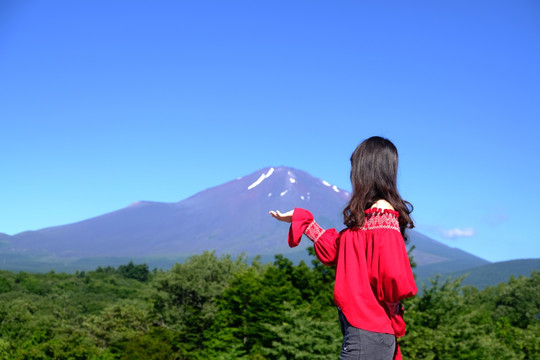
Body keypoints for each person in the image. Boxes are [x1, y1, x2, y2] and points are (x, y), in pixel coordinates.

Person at [269, 136, 417, 360]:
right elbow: (335, 250)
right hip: (367, 333)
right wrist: (304, 221)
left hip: (367, 335)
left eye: (355, 167)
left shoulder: (382, 217)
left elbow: (394, 276)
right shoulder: (368, 219)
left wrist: (391, 308)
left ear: (366, 170)